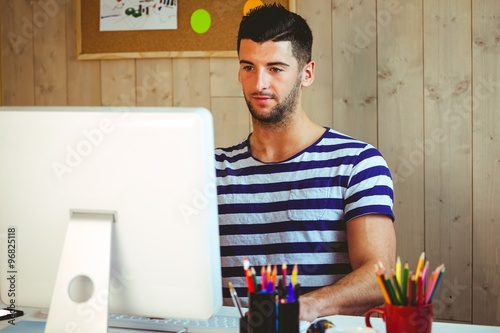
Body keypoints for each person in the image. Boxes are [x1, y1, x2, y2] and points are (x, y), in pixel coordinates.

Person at [214, 3, 396, 323]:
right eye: (248, 67)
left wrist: (301, 309)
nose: (259, 84)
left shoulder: (357, 163)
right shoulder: (210, 170)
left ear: (306, 73)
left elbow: (378, 277)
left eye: (276, 68)